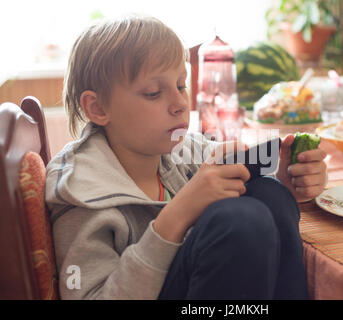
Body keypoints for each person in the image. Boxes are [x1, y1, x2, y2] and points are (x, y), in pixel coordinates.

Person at [45, 15, 327, 300]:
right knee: (239, 221)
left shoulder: (183, 150)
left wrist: (290, 177)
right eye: (154, 93)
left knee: (270, 193)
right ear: (98, 107)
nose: (181, 103)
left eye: (181, 85)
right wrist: (177, 215)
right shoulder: (79, 190)